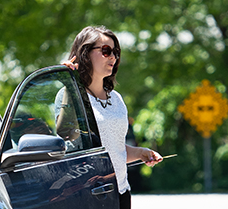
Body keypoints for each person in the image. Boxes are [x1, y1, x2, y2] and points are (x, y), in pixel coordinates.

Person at [57, 25, 162, 209]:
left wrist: (140, 153)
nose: (113, 57)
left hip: (121, 193)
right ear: (85, 54)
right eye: (106, 51)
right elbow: (66, 135)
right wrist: (70, 83)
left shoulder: (117, 99)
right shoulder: (68, 94)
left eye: (116, 52)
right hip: (88, 197)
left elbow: (114, 149)